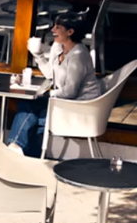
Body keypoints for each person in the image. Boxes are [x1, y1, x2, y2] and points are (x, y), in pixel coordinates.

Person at [7, 14, 102, 156]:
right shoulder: (58, 47)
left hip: (80, 108)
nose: (52, 30)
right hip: (65, 101)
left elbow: (70, 92)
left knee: (30, 108)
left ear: (70, 32)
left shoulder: (79, 56)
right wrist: (38, 55)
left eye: (58, 27)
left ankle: (16, 147)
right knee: (35, 113)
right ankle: (26, 153)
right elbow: (52, 76)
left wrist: (47, 94)